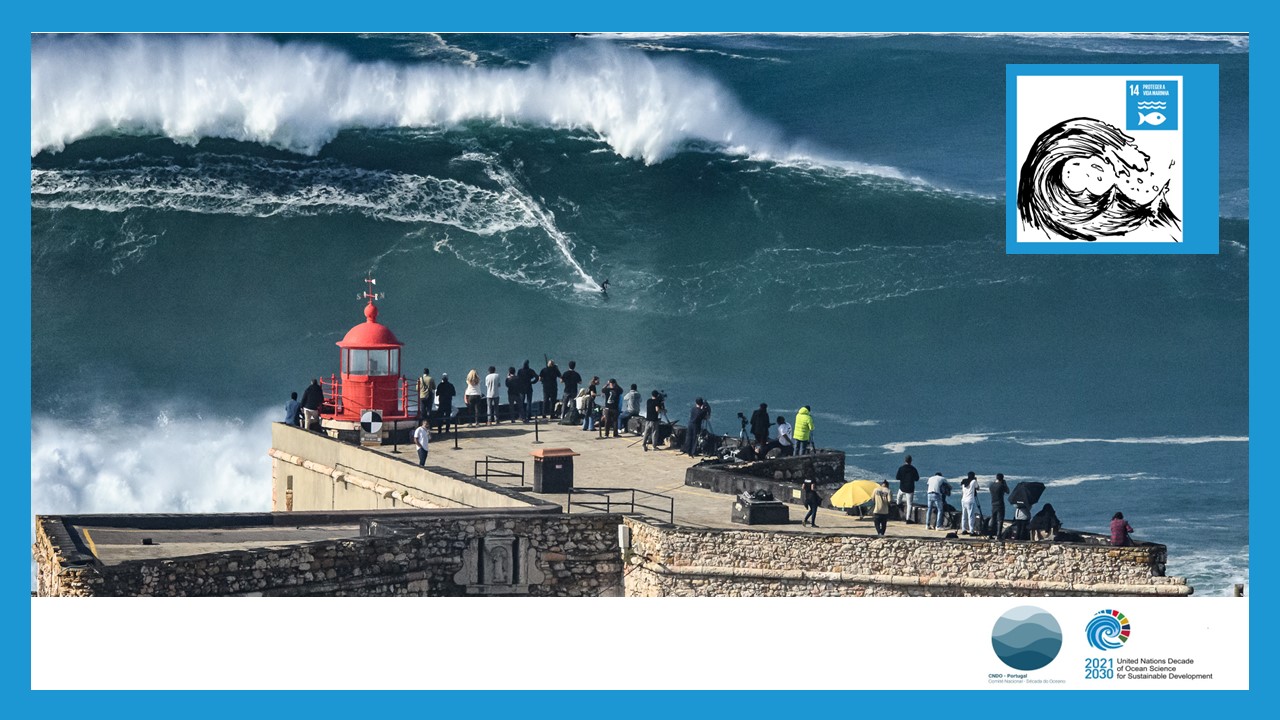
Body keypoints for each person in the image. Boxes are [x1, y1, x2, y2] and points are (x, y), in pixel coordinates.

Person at [895, 454, 920, 524]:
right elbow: (917, 478)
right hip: (910, 488)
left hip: (902, 487)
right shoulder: (913, 469)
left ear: (905, 460)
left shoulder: (901, 468)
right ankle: (908, 519)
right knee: (909, 504)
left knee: (899, 496)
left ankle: (898, 505)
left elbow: (897, 477)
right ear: (911, 461)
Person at [988, 474, 1010, 539]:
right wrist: (1005, 484)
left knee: (993, 519)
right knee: (1000, 520)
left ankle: (990, 534)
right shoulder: (1001, 486)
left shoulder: (991, 485)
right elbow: (1008, 491)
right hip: (1000, 504)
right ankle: (998, 535)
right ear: (1002, 479)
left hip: (993, 503)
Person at [960, 471, 981, 536]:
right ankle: (971, 531)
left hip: (963, 500)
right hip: (970, 500)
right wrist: (976, 480)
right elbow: (978, 488)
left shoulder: (964, 482)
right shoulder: (973, 481)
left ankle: (963, 529)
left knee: (964, 515)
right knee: (971, 516)